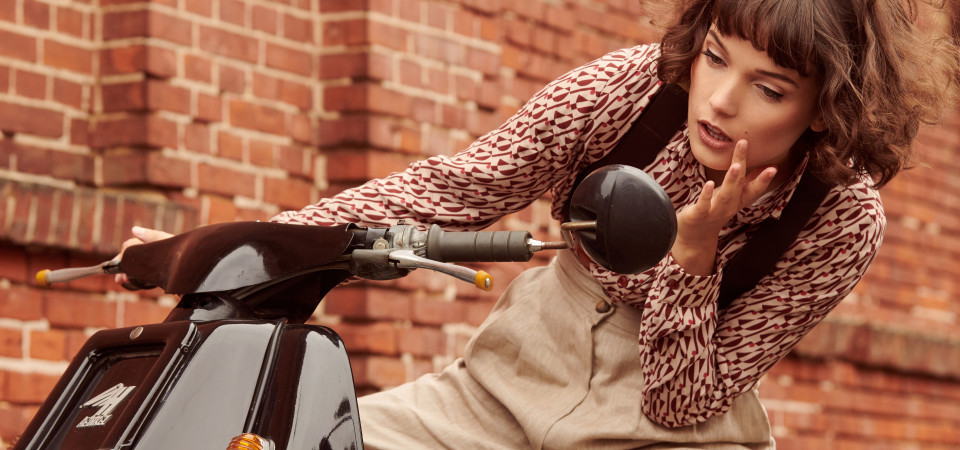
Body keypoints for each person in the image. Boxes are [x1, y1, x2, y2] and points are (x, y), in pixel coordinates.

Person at [120, 0, 960, 448]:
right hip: (499, 392)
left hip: (666, 433)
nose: (721, 100)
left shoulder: (842, 221)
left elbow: (680, 402)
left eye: (769, 88)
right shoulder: (628, 91)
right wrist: (233, 249)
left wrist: (693, 263)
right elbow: (454, 189)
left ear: (826, 108)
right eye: (715, 57)